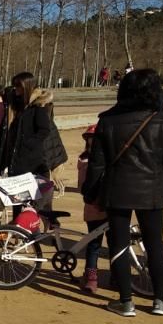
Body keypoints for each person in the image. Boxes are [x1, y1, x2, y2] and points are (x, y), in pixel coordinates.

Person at [82, 68, 163, 316]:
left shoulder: (107, 121)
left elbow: (96, 164)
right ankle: (161, 300)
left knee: (119, 246)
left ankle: (125, 301)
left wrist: (90, 193)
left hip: (116, 190)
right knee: (154, 245)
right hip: (153, 190)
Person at [76, 125, 108, 294]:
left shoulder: (87, 160)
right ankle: (92, 279)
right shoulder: (85, 161)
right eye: (90, 139)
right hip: (95, 207)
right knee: (94, 244)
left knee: (111, 243)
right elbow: (82, 187)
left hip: (105, 207)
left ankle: (113, 276)